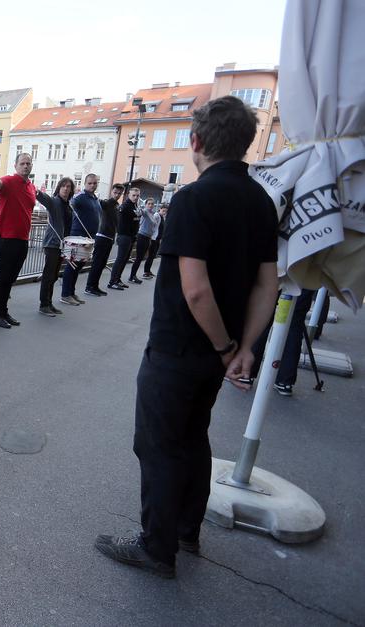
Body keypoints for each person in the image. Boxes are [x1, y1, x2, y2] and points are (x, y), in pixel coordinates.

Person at [94, 95, 280, 578]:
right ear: (245, 144)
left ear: (195, 141)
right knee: (194, 437)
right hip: (218, 354)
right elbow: (267, 284)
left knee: (157, 444)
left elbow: (195, 290)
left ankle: (156, 546)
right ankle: (185, 530)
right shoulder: (261, 200)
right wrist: (243, 348)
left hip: (179, 348)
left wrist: (224, 345)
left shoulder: (193, 199)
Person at [0, 153, 36, 328]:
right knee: (2, 278)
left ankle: (4, 311)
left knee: (11, 278)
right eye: (22, 163)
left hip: (23, 239)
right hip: (6, 238)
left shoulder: (31, 187)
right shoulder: (9, 181)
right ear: (16, 165)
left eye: (28, 163)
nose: (25, 166)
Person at [59, 173, 101, 306]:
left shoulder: (95, 198)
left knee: (79, 265)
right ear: (85, 183)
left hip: (89, 238)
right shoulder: (80, 197)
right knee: (72, 266)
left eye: (94, 183)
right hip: (78, 237)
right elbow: (70, 203)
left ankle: (71, 292)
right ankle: (65, 294)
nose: (92, 185)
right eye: (90, 183)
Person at [35, 177, 74, 316]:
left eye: (68, 186)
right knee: (48, 275)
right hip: (52, 243)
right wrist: (36, 191)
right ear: (59, 188)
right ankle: (43, 304)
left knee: (54, 275)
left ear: (71, 190)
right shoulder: (55, 201)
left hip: (63, 245)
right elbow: (43, 197)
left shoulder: (68, 205)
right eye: (63, 186)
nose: (65, 188)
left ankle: (49, 303)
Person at [84, 183, 123, 296]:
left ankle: (95, 286)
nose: (117, 195)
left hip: (109, 237)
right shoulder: (107, 203)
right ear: (112, 191)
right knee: (97, 263)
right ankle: (89, 286)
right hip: (102, 237)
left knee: (102, 264)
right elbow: (98, 202)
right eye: (115, 192)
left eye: (119, 193)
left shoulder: (116, 205)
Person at [108, 187, 141, 290]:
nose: (135, 197)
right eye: (133, 195)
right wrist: (123, 234)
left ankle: (118, 279)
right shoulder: (125, 206)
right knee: (120, 259)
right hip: (124, 236)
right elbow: (120, 223)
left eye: (137, 195)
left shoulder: (135, 205)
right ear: (128, 195)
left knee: (125, 259)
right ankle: (112, 281)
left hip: (131, 236)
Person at [128, 197, 158, 284]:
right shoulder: (145, 211)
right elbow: (139, 212)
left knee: (141, 258)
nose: (150, 205)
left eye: (152, 204)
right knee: (138, 258)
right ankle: (132, 276)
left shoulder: (152, 213)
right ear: (146, 204)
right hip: (142, 236)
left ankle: (133, 276)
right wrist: (139, 206)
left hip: (148, 237)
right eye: (149, 204)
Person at [142, 204, 168, 279]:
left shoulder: (162, 217)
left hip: (157, 239)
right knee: (150, 256)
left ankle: (148, 270)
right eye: (163, 211)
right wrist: (152, 236)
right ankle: (145, 272)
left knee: (153, 256)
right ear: (160, 209)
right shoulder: (156, 216)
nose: (164, 213)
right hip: (153, 238)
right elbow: (152, 226)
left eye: (165, 212)